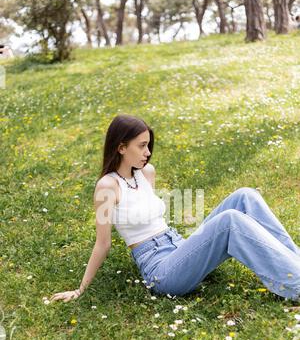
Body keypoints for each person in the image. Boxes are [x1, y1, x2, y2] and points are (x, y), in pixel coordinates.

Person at [50, 114, 300, 303]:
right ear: (121, 147)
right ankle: (296, 284)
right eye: (141, 146)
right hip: (161, 269)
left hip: (179, 247)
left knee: (245, 196)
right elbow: (102, 244)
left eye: (148, 145)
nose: (148, 152)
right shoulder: (107, 186)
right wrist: (80, 289)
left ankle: (296, 263)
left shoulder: (146, 173)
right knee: (230, 220)